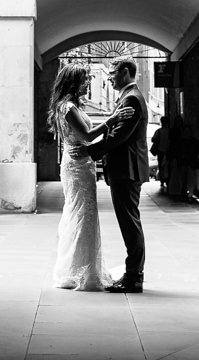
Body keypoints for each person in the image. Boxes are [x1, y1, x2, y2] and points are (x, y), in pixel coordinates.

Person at [89, 57, 149, 293]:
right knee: (129, 223)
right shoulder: (129, 96)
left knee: (130, 224)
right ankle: (133, 274)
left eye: (113, 72)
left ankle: (134, 277)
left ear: (125, 72)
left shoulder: (131, 98)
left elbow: (119, 136)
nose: (110, 76)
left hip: (127, 170)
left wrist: (88, 151)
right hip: (124, 169)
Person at [46, 64, 104, 291]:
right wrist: (113, 119)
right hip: (78, 166)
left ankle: (82, 267)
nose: (88, 83)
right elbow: (87, 135)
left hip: (79, 163)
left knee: (81, 212)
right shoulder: (68, 108)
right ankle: (80, 269)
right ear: (73, 82)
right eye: (85, 80)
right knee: (82, 213)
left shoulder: (67, 106)